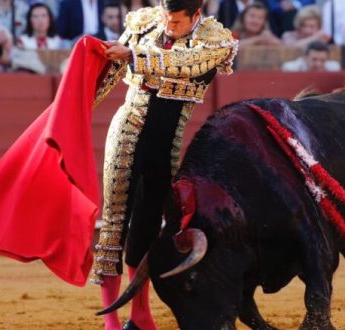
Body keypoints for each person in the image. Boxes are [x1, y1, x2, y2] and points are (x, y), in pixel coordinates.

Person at [92, 0, 238, 329]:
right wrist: (72, 110)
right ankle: (111, 321)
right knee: (115, 223)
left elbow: (185, 61)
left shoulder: (215, 39)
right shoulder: (144, 23)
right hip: (127, 132)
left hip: (166, 144)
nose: (169, 27)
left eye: (176, 22)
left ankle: (140, 314)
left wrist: (133, 55)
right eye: (166, 19)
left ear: (196, 16)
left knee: (147, 227)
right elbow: (109, 74)